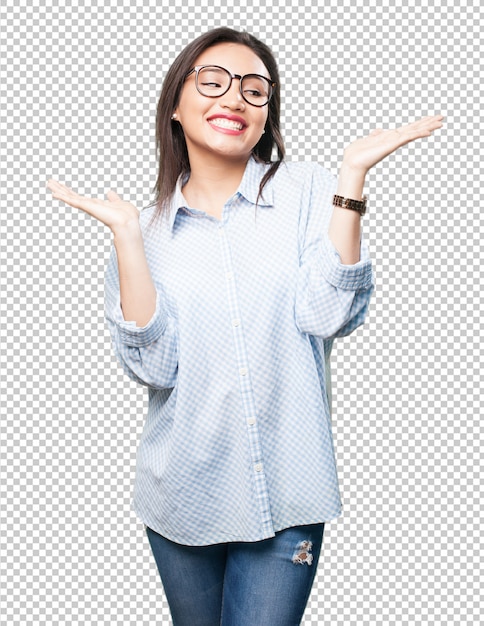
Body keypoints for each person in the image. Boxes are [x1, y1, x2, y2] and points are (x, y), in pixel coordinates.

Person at [47, 26, 443, 626]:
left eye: (255, 90)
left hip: (286, 491)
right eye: (213, 82)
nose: (235, 98)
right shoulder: (145, 227)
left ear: (266, 114)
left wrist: (353, 181)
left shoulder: (311, 189)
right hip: (181, 494)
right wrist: (128, 238)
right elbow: (153, 369)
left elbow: (328, 314)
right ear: (175, 106)